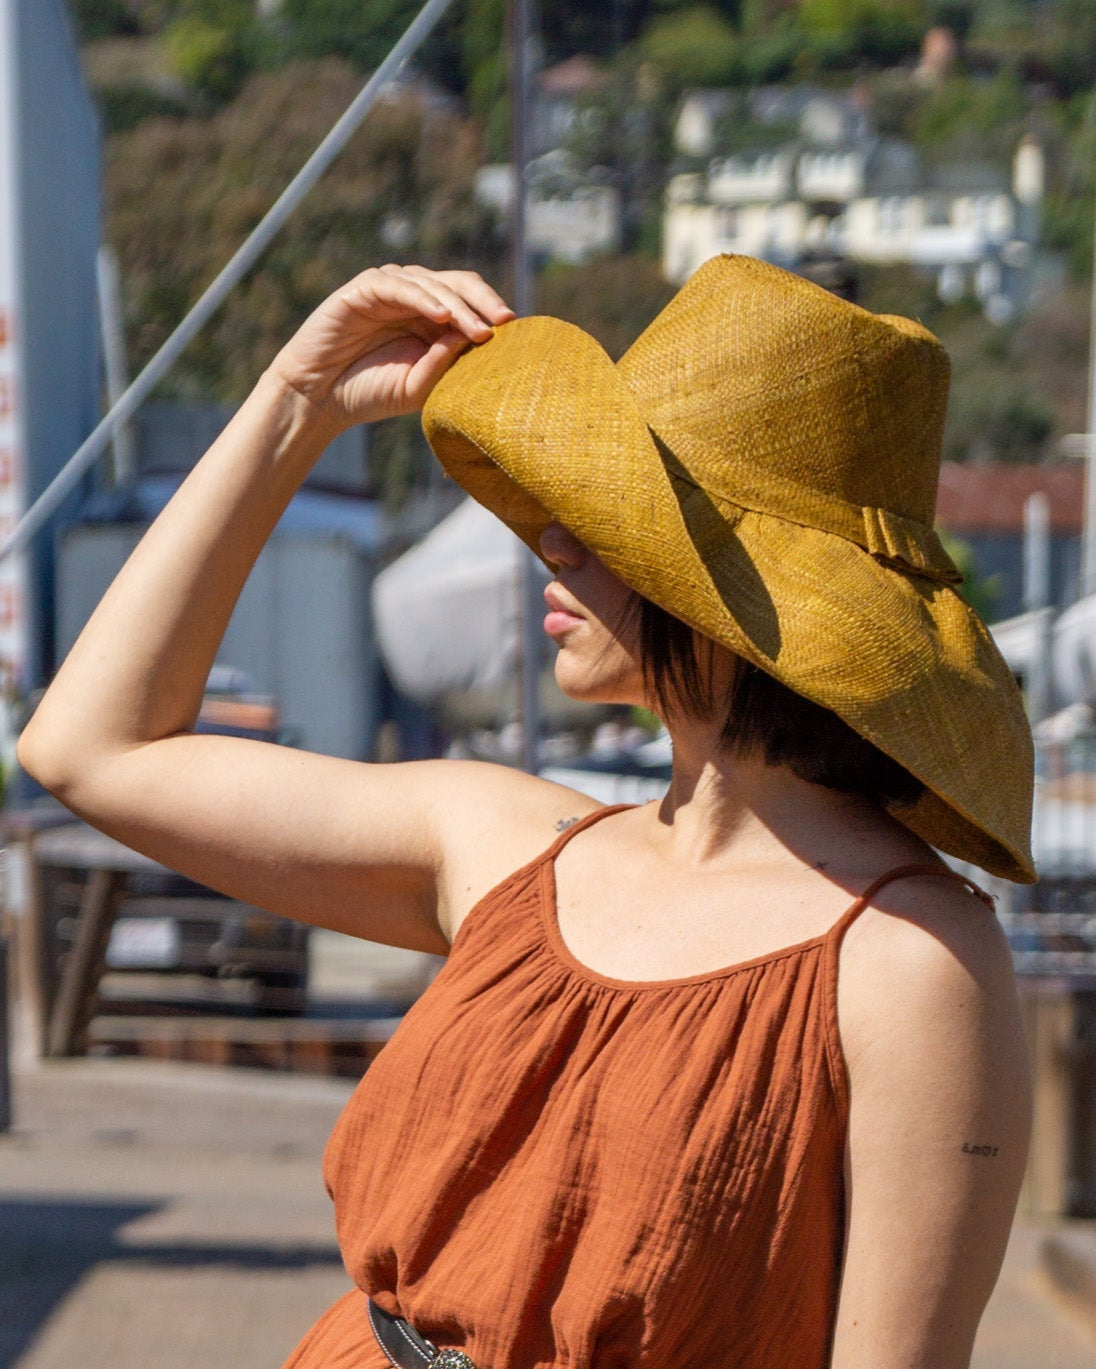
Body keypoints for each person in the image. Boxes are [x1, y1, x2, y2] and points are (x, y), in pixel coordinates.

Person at [18, 255, 1036, 1369]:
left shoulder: (913, 962)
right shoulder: (503, 842)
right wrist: (297, 403)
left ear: (740, 601)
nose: (553, 537)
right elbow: (91, 749)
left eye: (616, 520)